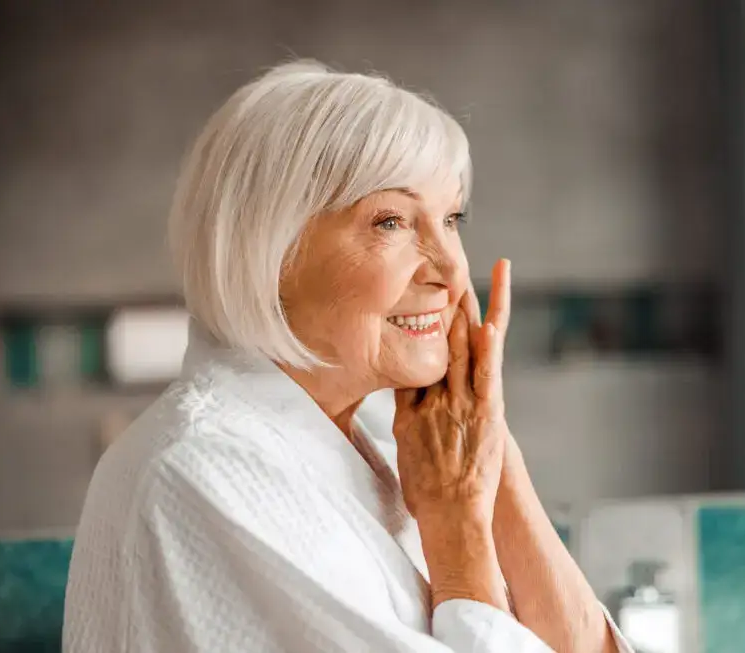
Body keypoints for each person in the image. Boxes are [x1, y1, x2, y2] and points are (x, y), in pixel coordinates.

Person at [63, 61, 630, 653]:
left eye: (450, 219)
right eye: (392, 221)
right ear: (271, 251)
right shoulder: (202, 471)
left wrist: (490, 447)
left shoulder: (389, 440)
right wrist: (458, 539)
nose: (450, 269)